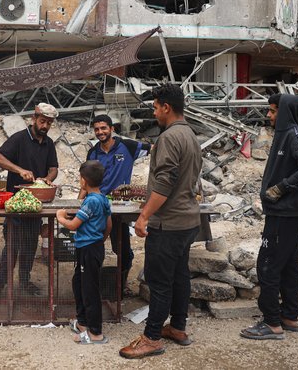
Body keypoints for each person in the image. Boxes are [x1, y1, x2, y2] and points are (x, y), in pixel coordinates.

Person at [119, 85, 202, 359]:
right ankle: (178, 327)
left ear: (166, 106)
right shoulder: (190, 134)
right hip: (188, 220)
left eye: (155, 107)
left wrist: (144, 215)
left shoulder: (169, 137)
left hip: (168, 223)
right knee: (179, 276)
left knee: (160, 280)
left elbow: (165, 182)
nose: (154, 112)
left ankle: (152, 337)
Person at [240, 93, 298, 340]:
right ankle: (289, 316)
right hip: (289, 212)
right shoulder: (292, 136)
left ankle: (271, 323)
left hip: (284, 214)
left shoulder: (294, 135)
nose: (269, 115)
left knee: (267, 265)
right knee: (289, 265)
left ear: (285, 112)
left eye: (272, 111)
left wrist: (282, 191)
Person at [0, 103, 59, 298]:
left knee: (29, 246)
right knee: (12, 246)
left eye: (49, 123)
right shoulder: (19, 138)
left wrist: (48, 179)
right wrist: (19, 170)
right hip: (16, 204)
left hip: (35, 204)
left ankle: (25, 282)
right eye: (42, 121)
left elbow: (53, 167)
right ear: (34, 119)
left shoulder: (49, 143)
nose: (45, 126)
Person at [80, 114, 151, 296]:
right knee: (94, 247)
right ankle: (94, 286)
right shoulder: (93, 152)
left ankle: (121, 285)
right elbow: (85, 180)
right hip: (96, 208)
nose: (100, 132)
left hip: (120, 209)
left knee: (123, 251)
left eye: (103, 128)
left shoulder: (127, 146)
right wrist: (80, 202)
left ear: (112, 129)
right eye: (96, 129)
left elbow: (154, 149)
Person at [57, 160, 112, 345]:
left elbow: (73, 225)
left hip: (89, 249)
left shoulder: (90, 201)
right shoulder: (103, 199)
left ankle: (95, 333)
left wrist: (60, 217)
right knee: (79, 282)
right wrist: (98, 241)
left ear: (83, 181)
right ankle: (82, 323)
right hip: (92, 247)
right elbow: (108, 225)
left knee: (90, 290)